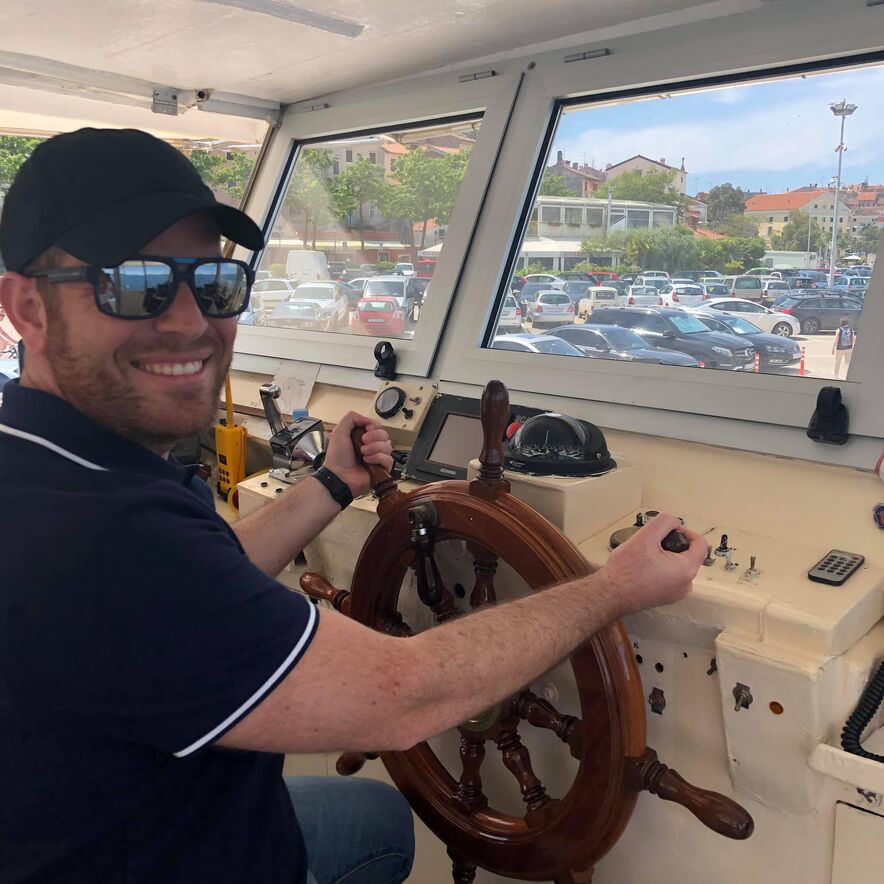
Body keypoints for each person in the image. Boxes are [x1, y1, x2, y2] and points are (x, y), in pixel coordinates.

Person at [0, 128, 706, 884]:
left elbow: (210, 572)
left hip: (139, 814)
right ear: (26, 308)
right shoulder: (103, 537)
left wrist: (332, 483)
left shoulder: (61, 464)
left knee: (376, 817)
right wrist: (612, 588)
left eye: (214, 283)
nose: (188, 321)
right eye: (135, 284)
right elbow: (403, 698)